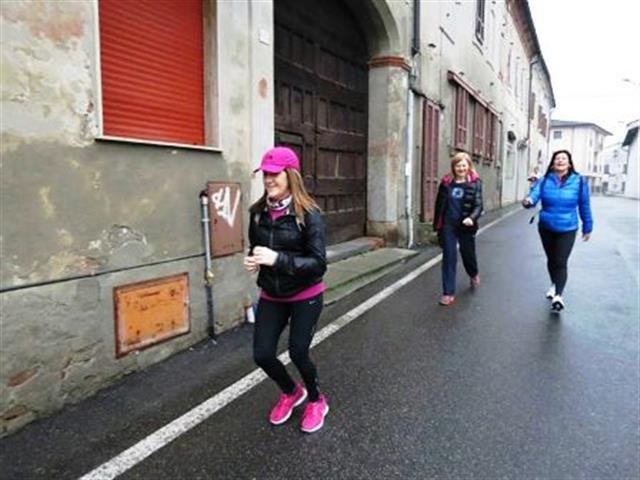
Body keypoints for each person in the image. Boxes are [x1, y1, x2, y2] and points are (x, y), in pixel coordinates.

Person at [243, 146, 329, 433]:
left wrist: (277, 260)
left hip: (306, 294)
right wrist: (253, 260)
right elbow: (256, 247)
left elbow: (318, 263)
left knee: (298, 352)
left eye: (274, 174)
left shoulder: (309, 214)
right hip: (272, 294)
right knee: (262, 354)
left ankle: (316, 400)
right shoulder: (257, 214)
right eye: (265, 174)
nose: (269, 180)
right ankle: (292, 392)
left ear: (290, 175)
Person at [522, 149, 593, 311]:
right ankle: (554, 284)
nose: (560, 161)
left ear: (569, 163)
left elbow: (584, 205)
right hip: (546, 227)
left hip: (568, 227)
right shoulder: (544, 180)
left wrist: (587, 227)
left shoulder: (579, 181)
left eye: (564, 158)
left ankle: (558, 296)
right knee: (551, 259)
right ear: (553, 163)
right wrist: (529, 201)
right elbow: (534, 195)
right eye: (557, 158)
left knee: (560, 261)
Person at [432, 152, 483, 306]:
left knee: (468, 255)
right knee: (449, 256)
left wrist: (471, 218)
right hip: (448, 225)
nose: (461, 168)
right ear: (453, 167)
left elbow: (478, 205)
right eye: (458, 165)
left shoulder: (475, 183)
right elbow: (439, 205)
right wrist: (437, 225)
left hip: (466, 226)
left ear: (468, 166)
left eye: (463, 165)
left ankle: (473, 273)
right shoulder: (446, 183)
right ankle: (448, 293)